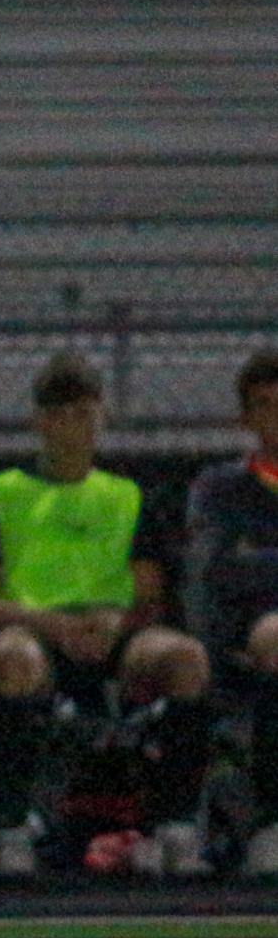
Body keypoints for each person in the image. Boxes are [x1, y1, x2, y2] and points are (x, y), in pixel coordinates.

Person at [0, 351, 211, 878]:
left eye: (82, 413)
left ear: (102, 417)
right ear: (38, 421)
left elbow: (149, 593)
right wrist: (54, 625)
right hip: (37, 635)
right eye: (58, 414)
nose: (70, 427)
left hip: (114, 637)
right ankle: (12, 827)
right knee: (10, 657)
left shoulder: (128, 496)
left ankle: (178, 828)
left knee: (186, 659)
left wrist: (113, 624)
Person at [186, 347, 278, 875]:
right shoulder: (221, 490)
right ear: (245, 418)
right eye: (265, 405)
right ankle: (268, 821)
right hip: (245, 641)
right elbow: (217, 574)